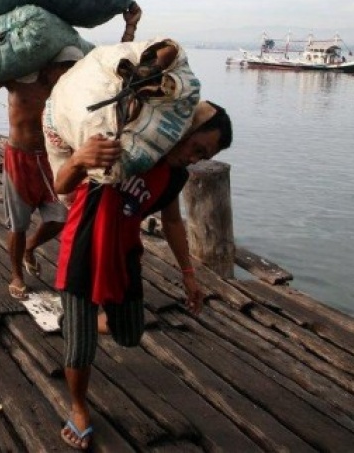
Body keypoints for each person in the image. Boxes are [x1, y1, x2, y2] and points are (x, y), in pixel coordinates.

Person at [54, 101, 233, 450]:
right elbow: (62, 184)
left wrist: (189, 275)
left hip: (125, 255)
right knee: (80, 351)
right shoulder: (126, 146)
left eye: (204, 156)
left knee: (130, 334)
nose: (195, 158)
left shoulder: (176, 176)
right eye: (197, 148)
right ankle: (78, 407)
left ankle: (80, 323)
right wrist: (79, 158)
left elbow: (172, 221)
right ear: (183, 128)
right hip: (84, 248)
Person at [0, 3, 143, 301]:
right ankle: (16, 274)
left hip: (53, 159)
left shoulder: (72, 90)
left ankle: (32, 248)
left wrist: (131, 27)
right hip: (18, 157)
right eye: (64, 68)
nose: (68, 74)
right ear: (50, 66)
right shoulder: (18, 79)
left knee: (59, 218)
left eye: (73, 68)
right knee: (17, 225)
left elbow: (117, 68)